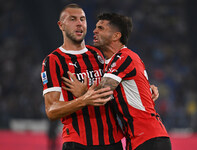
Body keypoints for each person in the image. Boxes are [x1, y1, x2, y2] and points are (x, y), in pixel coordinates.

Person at [63, 13, 171, 150]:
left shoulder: (124, 57)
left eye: (101, 28)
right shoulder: (115, 62)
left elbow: (102, 93)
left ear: (116, 36)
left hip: (149, 138)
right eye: (96, 27)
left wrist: (83, 91)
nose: (94, 31)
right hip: (137, 139)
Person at [41, 4, 125, 150]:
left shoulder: (100, 54)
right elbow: (51, 110)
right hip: (78, 143)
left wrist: (146, 86)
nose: (79, 23)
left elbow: (120, 87)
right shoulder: (53, 61)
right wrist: (83, 100)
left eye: (82, 19)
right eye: (73, 19)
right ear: (61, 25)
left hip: (112, 141)